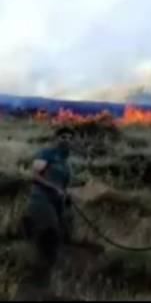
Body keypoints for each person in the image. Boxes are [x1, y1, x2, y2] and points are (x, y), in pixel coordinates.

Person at [15, 126, 76, 300]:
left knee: (62, 233)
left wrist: (66, 193)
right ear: (56, 139)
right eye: (62, 136)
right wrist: (54, 187)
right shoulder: (47, 154)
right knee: (51, 231)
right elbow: (35, 175)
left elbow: (63, 185)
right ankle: (34, 277)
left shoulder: (66, 162)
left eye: (69, 137)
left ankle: (48, 273)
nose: (66, 139)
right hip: (41, 199)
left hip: (57, 202)